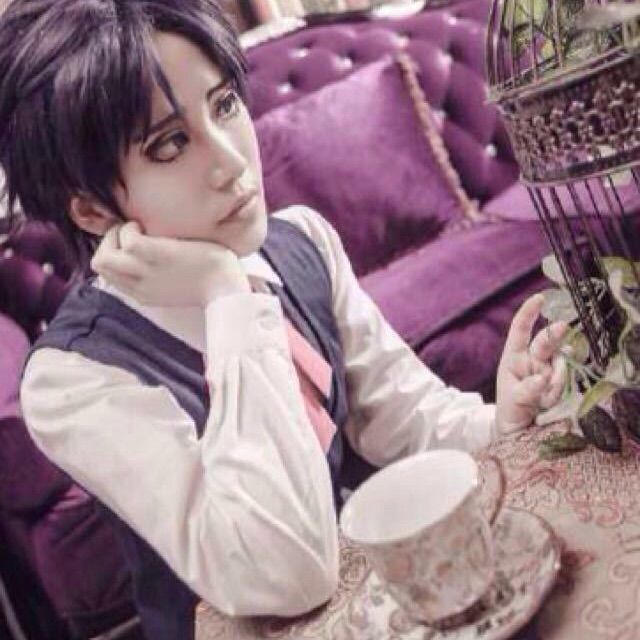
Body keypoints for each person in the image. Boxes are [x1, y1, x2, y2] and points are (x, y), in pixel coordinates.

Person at [0, 0, 566, 637]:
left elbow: (403, 418)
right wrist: (226, 299)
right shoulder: (72, 380)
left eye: (224, 105)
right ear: (92, 211)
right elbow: (284, 573)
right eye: (170, 144)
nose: (231, 162)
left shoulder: (302, 242)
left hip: (369, 603)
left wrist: (503, 418)